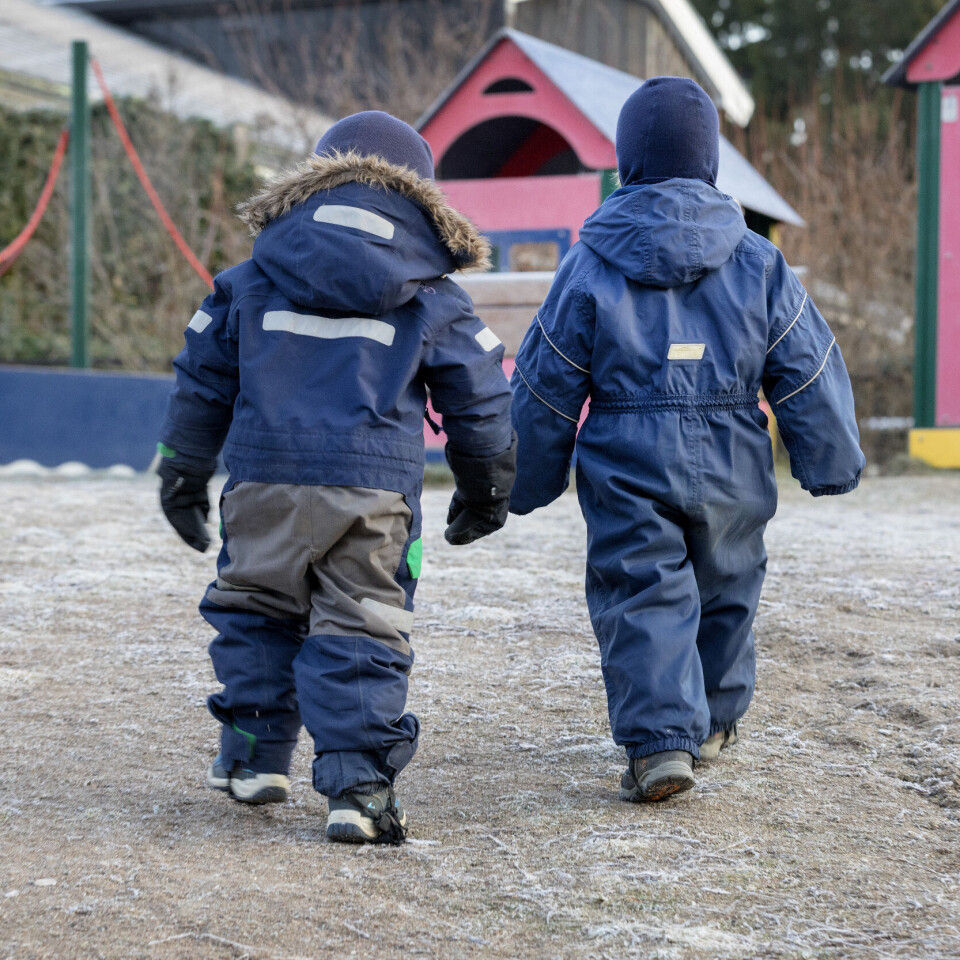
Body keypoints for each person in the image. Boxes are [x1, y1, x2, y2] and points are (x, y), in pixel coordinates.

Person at [156, 111, 515, 843]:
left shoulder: (250, 278)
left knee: (257, 608)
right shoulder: (432, 291)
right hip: (373, 491)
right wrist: (485, 489)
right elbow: (480, 394)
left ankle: (254, 757)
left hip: (263, 482)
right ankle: (357, 789)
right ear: (419, 196)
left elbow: (201, 380)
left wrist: (184, 472)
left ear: (311, 183)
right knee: (362, 623)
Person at [508, 77, 864, 802]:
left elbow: (548, 377)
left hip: (626, 451)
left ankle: (660, 740)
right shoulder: (758, 261)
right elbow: (805, 362)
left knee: (642, 588)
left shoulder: (593, 259)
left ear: (626, 161)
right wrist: (830, 458)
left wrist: (524, 474)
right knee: (729, 578)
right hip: (733, 446)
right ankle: (713, 719)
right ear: (709, 163)